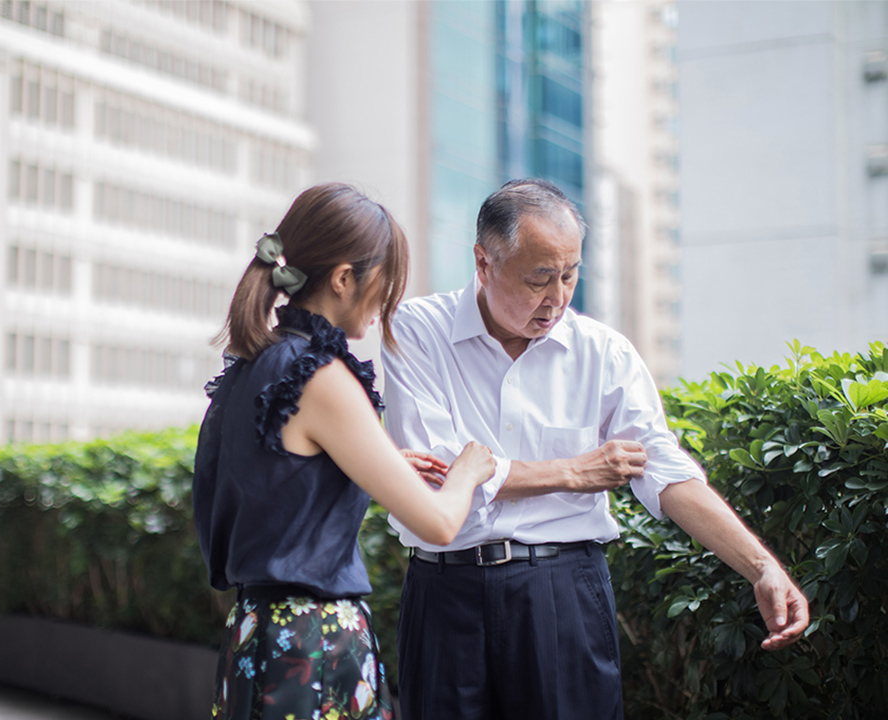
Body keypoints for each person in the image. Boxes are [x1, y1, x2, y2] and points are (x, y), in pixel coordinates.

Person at [380, 178, 810, 720]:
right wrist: (573, 472)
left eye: (570, 274)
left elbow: (666, 472)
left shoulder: (604, 353)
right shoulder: (418, 331)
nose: (558, 298)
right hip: (445, 595)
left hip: (563, 594)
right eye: (539, 278)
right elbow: (434, 475)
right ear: (483, 263)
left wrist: (762, 567)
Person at [193, 182, 496, 720]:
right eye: (386, 282)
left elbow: (270, 480)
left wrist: (349, 470)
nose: (389, 301)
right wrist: (468, 471)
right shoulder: (323, 377)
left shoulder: (250, 367)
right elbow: (439, 523)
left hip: (254, 634)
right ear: (343, 278)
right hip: (314, 642)